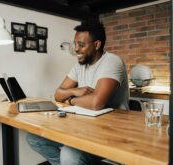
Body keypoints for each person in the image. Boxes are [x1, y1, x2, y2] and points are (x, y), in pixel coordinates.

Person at [27, 19, 129, 165]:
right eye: (75, 44)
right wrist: (76, 91)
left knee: (69, 155)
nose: (76, 49)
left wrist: (70, 100)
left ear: (97, 45)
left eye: (81, 45)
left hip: (111, 131)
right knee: (34, 138)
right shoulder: (79, 66)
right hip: (84, 127)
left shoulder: (112, 61)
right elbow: (58, 93)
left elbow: (95, 103)